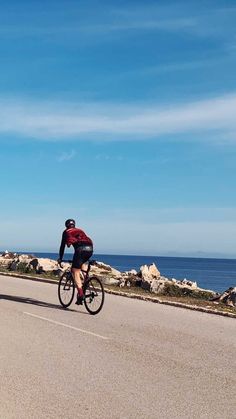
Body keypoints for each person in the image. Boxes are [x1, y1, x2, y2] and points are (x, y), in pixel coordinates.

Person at [58, 219, 93, 305]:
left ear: (66, 226)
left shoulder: (66, 232)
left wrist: (60, 258)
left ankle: (81, 294)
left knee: (75, 271)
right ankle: (86, 281)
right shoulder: (80, 230)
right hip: (90, 248)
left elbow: (62, 246)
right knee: (82, 264)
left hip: (80, 250)